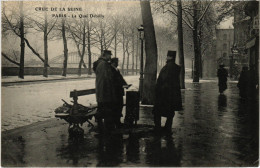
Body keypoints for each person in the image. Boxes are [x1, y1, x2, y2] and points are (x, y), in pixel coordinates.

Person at [153, 50, 182, 135]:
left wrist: (158, 88)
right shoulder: (175, 67)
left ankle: (158, 128)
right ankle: (167, 128)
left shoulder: (167, 67)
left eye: (167, 56)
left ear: (170, 57)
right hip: (172, 94)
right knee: (170, 112)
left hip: (164, 93)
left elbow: (163, 79)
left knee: (157, 111)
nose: (166, 57)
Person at [93, 50, 117, 132]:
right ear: (105, 55)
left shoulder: (101, 63)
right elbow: (106, 78)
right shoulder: (104, 64)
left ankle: (102, 126)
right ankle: (106, 128)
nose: (110, 57)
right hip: (105, 90)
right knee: (106, 108)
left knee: (102, 107)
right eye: (109, 55)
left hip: (102, 90)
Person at [111, 58, 131, 128]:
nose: (117, 63)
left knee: (120, 106)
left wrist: (126, 84)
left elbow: (121, 79)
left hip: (119, 92)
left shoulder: (116, 70)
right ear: (113, 63)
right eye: (116, 62)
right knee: (116, 107)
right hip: (115, 92)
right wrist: (122, 85)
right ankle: (116, 122)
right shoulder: (111, 70)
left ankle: (118, 121)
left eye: (117, 62)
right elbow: (113, 82)